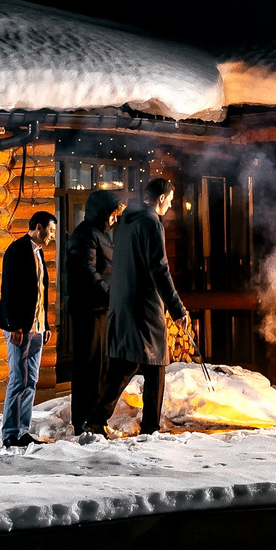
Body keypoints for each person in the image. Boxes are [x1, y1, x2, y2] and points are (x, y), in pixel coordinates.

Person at [100, 179, 188, 435]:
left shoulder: (127, 222)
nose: (170, 206)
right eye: (170, 200)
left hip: (124, 301)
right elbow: (159, 268)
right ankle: (149, 426)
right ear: (161, 198)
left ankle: (99, 418)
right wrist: (177, 308)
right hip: (144, 305)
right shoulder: (150, 222)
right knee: (153, 364)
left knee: (128, 365)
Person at [0, 211, 58, 448]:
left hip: (37, 326)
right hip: (20, 327)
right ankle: (10, 433)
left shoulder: (39, 253)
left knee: (31, 380)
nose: (52, 236)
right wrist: (14, 326)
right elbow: (9, 289)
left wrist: (46, 324)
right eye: (51, 230)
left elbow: (40, 293)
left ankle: (22, 430)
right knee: (19, 379)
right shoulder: (17, 250)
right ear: (38, 227)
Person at [64, 191, 123, 435]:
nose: (115, 220)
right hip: (89, 310)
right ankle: (85, 421)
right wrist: (109, 294)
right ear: (102, 212)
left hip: (100, 310)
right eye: (113, 214)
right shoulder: (85, 235)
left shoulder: (99, 235)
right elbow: (87, 271)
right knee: (90, 366)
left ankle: (94, 419)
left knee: (101, 365)